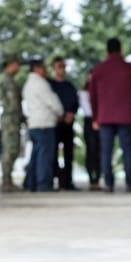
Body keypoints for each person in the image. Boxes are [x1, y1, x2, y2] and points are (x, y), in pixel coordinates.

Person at [85, 37, 131, 193]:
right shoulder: (130, 69)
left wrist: (95, 116)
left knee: (106, 151)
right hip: (126, 116)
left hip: (105, 116)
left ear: (107, 50)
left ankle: (109, 183)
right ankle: (130, 182)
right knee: (127, 150)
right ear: (121, 49)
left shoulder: (99, 69)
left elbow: (92, 96)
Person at [22, 59, 64, 192]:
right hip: (44, 123)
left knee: (36, 154)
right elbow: (52, 101)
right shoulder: (40, 83)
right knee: (44, 156)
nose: (46, 71)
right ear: (37, 68)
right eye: (44, 68)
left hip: (34, 123)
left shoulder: (28, 84)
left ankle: (31, 182)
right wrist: (60, 112)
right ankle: (44, 184)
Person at [49, 58, 80, 191]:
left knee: (69, 154)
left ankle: (67, 181)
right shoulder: (49, 85)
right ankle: (54, 179)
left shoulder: (69, 86)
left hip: (68, 124)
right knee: (52, 153)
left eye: (63, 66)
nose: (61, 69)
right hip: (54, 124)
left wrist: (71, 113)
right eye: (59, 66)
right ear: (53, 68)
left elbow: (75, 102)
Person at [0, 57, 23, 192]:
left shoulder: (11, 80)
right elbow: (11, 104)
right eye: (16, 64)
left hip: (14, 118)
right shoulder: (6, 81)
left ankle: (8, 180)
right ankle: (6, 181)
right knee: (10, 150)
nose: (18, 67)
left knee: (14, 149)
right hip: (10, 119)